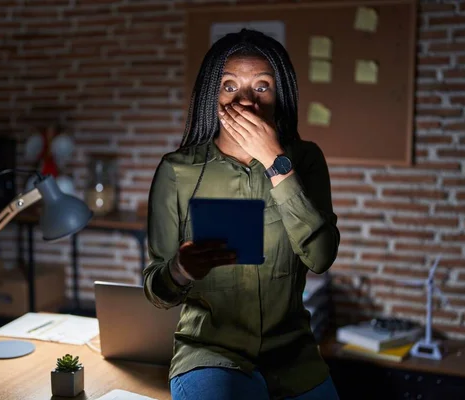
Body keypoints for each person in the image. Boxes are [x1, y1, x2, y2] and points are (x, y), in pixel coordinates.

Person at [143, 28, 340, 400]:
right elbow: (156, 290)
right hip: (210, 354)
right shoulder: (176, 171)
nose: (245, 101)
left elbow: (321, 258)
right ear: (211, 96)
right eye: (230, 86)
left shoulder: (306, 160)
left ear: (280, 96)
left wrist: (274, 161)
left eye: (262, 87)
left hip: (294, 358)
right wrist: (181, 269)